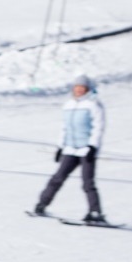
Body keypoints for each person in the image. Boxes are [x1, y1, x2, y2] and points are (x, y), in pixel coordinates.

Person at [31, 74, 107, 223]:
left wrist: (93, 146)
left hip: (86, 150)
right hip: (70, 149)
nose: (79, 90)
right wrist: (60, 147)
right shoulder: (69, 105)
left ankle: (96, 213)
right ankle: (42, 204)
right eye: (76, 87)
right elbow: (64, 128)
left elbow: (99, 127)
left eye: (82, 88)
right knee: (57, 178)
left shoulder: (94, 105)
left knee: (87, 183)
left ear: (88, 89)